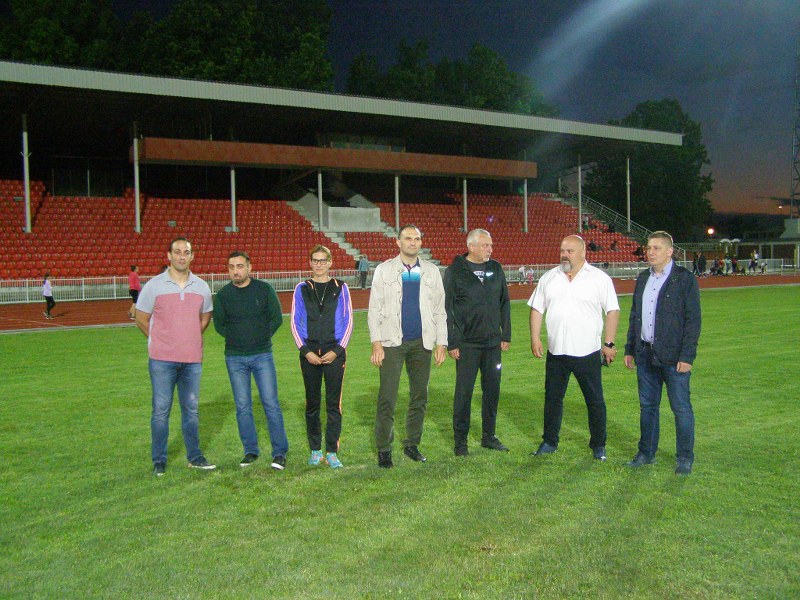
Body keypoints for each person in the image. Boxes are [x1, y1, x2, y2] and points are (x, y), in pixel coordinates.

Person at [528, 235, 620, 461]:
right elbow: (537, 308)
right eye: (562, 250)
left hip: (587, 351)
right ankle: (550, 441)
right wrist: (535, 338)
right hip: (556, 351)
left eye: (569, 251)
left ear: (582, 253)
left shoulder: (599, 278)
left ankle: (598, 444)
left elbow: (612, 310)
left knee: (594, 400)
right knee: (552, 399)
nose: (564, 255)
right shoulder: (549, 277)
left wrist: (608, 343)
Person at [368, 224, 448, 468]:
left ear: (421, 242)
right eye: (408, 238)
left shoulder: (432, 271)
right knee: (387, 397)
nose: (413, 242)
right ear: (398, 242)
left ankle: (412, 444)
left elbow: (440, 310)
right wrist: (376, 343)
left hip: (422, 343)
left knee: (419, 396)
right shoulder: (384, 270)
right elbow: (374, 309)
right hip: (392, 343)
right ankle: (384, 448)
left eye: (417, 239)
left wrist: (442, 342)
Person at [135, 237, 215, 476]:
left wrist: (188, 337)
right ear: (169, 256)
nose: (182, 256)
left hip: (192, 361)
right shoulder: (153, 286)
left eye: (186, 252)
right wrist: (161, 340)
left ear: (192, 256)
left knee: (191, 410)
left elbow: (205, 317)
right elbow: (141, 318)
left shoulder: (201, 287)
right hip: (162, 360)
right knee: (161, 411)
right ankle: (159, 460)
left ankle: (195, 457)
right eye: (177, 252)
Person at [624, 231, 701, 475]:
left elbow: (693, 320)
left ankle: (685, 457)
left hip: (674, 357)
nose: (651, 252)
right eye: (648, 248)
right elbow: (635, 316)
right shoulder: (643, 278)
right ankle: (646, 453)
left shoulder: (684, 279)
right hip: (645, 354)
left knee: (681, 408)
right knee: (647, 407)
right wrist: (630, 348)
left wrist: (687, 356)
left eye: (656, 248)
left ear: (670, 251)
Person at [213, 251, 289, 470]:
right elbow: (219, 325)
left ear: (249, 268)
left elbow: (276, 318)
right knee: (243, 406)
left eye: (239, 266)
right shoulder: (223, 295)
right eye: (231, 267)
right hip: (235, 358)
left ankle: (279, 452)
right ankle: (250, 451)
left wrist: (260, 337)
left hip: (262, 355)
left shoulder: (264, 290)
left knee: (271, 403)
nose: (235, 271)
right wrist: (236, 338)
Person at [444, 229, 511, 456]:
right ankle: (460, 442)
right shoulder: (455, 271)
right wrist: (452, 342)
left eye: (490, 245)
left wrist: (505, 334)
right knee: (464, 393)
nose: (490, 249)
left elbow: (504, 302)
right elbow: (447, 308)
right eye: (485, 245)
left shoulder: (496, 269)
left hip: (492, 344)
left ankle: (489, 436)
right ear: (471, 246)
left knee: (492, 390)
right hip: (466, 344)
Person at [291, 245, 353, 469]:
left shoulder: (341, 287)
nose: (319, 264)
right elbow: (295, 322)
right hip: (309, 354)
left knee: (333, 405)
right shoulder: (301, 288)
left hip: (334, 352)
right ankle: (316, 450)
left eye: (323, 260)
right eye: (315, 260)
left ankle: (332, 451)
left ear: (330, 262)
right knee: (312, 404)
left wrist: (337, 350)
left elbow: (348, 321)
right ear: (310, 263)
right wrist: (305, 351)